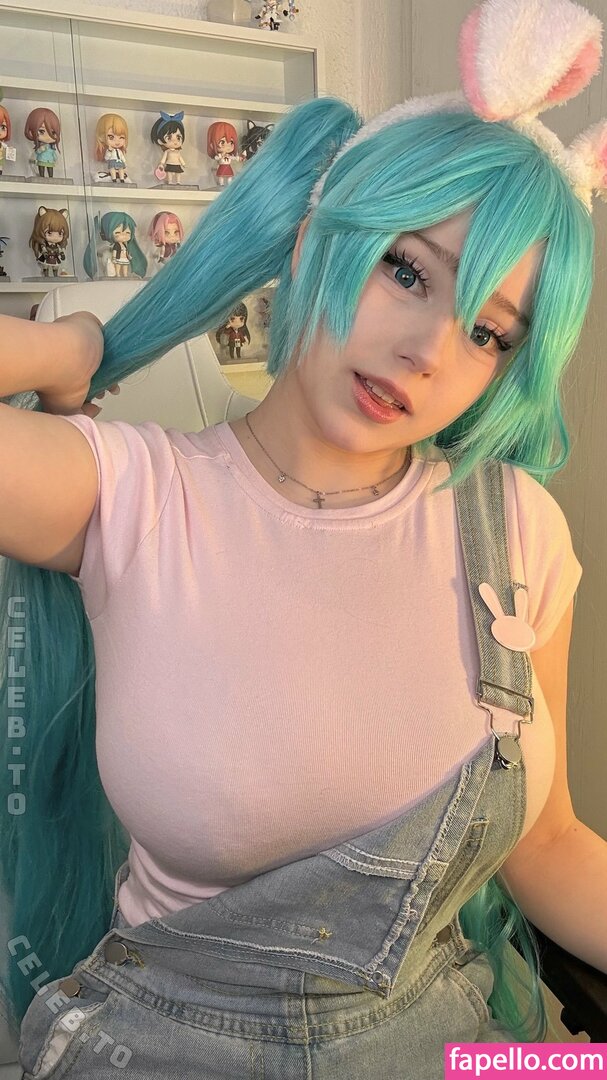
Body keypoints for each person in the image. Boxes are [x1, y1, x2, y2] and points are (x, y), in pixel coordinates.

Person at [1, 0, 606, 1073]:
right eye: (406, 270)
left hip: (458, 1051)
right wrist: (79, 345)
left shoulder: (516, 527)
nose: (427, 350)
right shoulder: (129, 493)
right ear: (315, 236)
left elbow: (548, 842)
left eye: (485, 332)